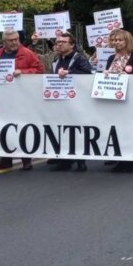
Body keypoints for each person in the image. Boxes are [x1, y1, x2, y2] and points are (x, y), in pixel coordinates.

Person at [0, 29, 46, 172]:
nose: (15, 42)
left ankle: (26, 160)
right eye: (11, 40)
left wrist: (24, 72)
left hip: (22, 98)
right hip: (3, 97)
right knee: (2, 127)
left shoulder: (27, 53)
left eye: (16, 39)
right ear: (4, 42)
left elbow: (40, 70)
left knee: (22, 127)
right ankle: (5, 160)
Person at [46, 33, 94, 172]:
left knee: (77, 131)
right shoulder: (55, 59)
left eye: (63, 42)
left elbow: (87, 74)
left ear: (72, 45)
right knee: (61, 130)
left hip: (77, 101)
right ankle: (64, 160)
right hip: (59, 100)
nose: (59, 44)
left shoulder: (79, 58)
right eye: (57, 42)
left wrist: (69, 72)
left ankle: (80, 160)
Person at [103, 29, 133, 172]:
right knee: (116, 128)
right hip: (114, 98)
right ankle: (119, 158)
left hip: (130, 99)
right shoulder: (111, 58)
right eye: (114, 40)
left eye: (119, 40)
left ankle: (129, 161)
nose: (116, 42)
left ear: (127, 41)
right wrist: (106, 74)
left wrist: (130, 75)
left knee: (128, 129)